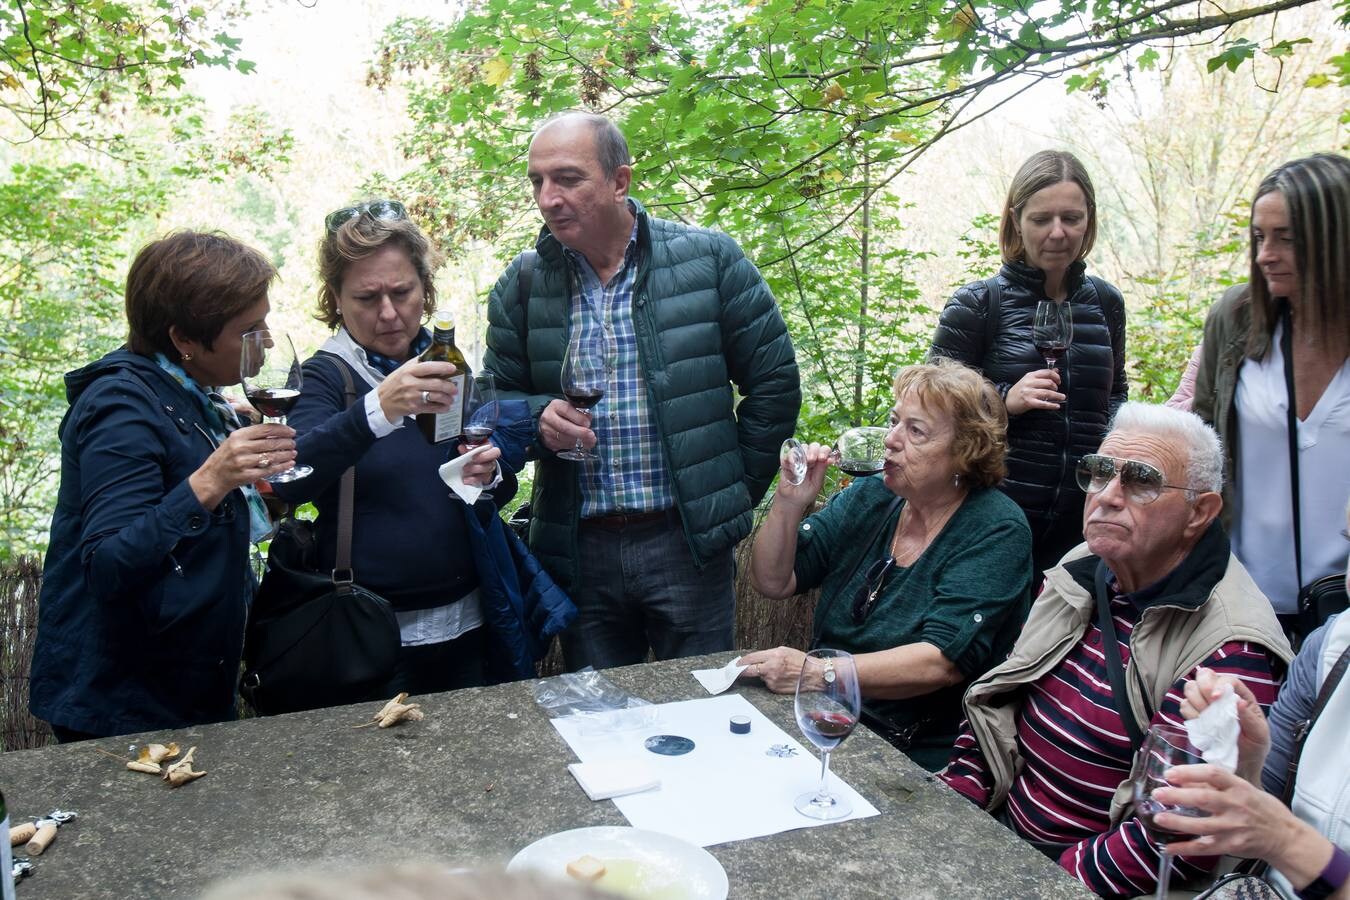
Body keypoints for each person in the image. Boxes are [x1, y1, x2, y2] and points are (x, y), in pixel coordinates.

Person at [483, 112, 801, 670]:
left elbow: (773, 384)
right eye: (537, 181)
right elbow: (493, 403)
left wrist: (727, 495)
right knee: (603, 726)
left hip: (686, 545)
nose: (548, 197)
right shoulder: (524, 282)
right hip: (579, 549)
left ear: (620, 181)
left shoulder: (708, 260)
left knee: (705, 711)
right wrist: (535, 418)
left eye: (567, 178)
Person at [939, 402, 1293, 899]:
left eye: (1141, 480)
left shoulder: (1230, 647)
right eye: (1099, 472)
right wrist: (958, 803)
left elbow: (1181, 834)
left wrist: (1038, 883)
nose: (1106, 496)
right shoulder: (1084, 563)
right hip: (1001, 835)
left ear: (1200, 512)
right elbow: (1001, 697)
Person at [272, 201, 568, 698]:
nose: (389, 314)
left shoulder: (447, 364)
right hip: (368, 636)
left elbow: (484, 473)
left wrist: (487, 476)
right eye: (367, 298)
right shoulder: (326, 377)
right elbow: (295, 475)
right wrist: (377, 408)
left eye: (403, 292)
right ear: (336, 300)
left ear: (425, 291)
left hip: (469, 620)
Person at [30, 231, 298, 740]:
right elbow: (108, 564)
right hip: (124, 704)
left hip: (183, 686)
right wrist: (211, 479)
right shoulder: (120, 411)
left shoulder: (192, 396)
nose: (265, 339)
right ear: (184, 340)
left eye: (264, 321)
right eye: (249, 329)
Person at [741, 359, 1033, 771]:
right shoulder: (871, 497)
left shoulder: (995, 529)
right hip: (827, 714)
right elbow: (773, 580)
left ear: (965, 452)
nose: (891, 440)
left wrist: (818, 673)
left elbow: (939, 662)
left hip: (918, 747)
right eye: (895, 421)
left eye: (916, 431)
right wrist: (789, 503)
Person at [930, 149, 1128, 576]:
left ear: (1088, 220)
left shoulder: (1106, 303)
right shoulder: (979, 303)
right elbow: (928, 411)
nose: (1058, 233)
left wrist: (1114, 444)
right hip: (993, 522)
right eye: (1042, 219)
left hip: (1082, 525)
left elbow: (1116, 394)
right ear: (1017, 220)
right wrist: (1004, 400)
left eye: (1071, 218)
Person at [1156, 502, 1350, 899]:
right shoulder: (1330, 648)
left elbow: (1280, 836)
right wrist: (1245, 761)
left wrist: (1287, 842)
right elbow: (1258, 813)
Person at [1192, 153, 1350, 632]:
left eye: (1287, 238)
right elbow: (1199, 443)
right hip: (1242, 603)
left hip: (1343, 610)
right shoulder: (1236, 319)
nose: (1265, 254)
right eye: (1260, 237)